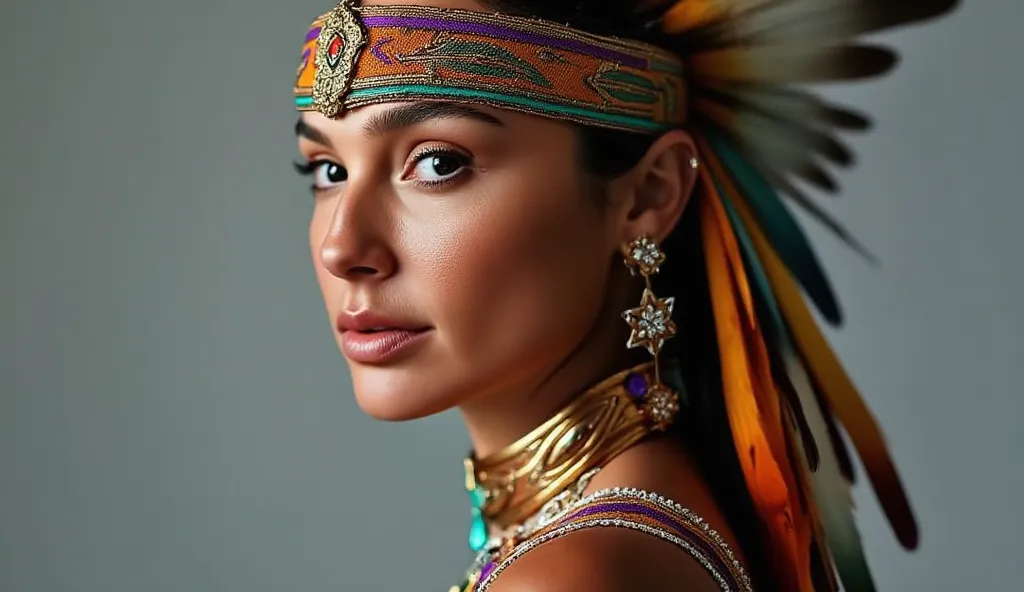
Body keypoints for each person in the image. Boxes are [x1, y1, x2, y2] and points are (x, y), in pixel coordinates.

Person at [290, 0, 958, 590]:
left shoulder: (573, 576)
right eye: (328, 169)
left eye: (439, 162)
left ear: (649, 193)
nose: (342, 247)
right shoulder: (648, 517)